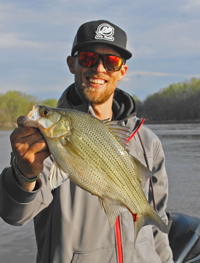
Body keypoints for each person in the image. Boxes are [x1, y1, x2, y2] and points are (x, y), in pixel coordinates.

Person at [0, 20, 174, 263]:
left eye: (111, 62)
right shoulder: (42, 140)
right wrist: (24, 174)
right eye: (89, 59)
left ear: (122, 71)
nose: (99, 69)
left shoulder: (148, 141)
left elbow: (158, 226)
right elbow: (14, 214)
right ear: (73, 64)